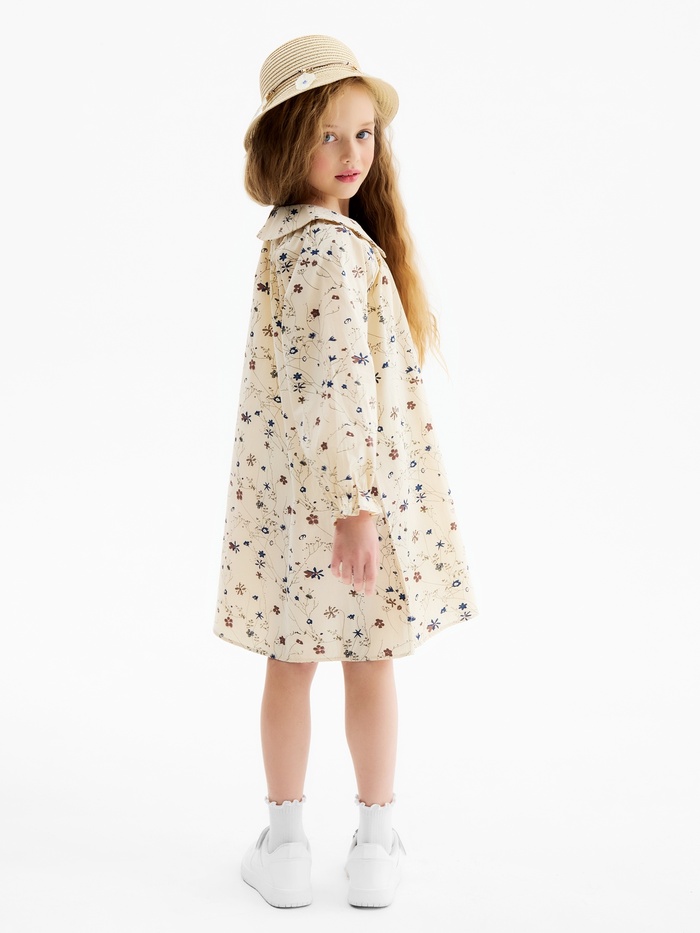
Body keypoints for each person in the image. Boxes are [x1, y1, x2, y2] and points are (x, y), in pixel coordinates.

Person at [213, 34, 479, 909]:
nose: (351, 152)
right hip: (344, 506)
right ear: (288, 142)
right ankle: (372, 843)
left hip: (297, 507)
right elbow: (341, 390)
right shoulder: (333, 250)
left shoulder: (293, 241)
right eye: (328, 134)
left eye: (363, 133)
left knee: (295, 662)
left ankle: (287, 846)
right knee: (368, 660)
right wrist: (357, 509)